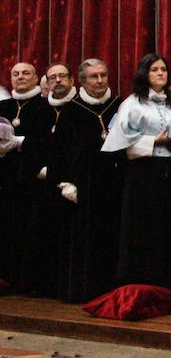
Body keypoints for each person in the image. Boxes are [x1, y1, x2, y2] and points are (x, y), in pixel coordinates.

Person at [101, 54, 171, 290]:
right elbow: (121, 141)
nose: (160, 74)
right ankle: (145, 280)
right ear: (145, 74)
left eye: (164, 69)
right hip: (145, 172)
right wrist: (155, 140)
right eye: (154, 70)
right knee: (146, 227)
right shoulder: (132, 104)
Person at [51, 59, 124, 301]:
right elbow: (58, 153)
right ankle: (85, 290)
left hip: (116, 185)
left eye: (103, 75)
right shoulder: (71, 111)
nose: (100, 81)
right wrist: (65, 183)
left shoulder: (120, 106)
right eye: (94, 77)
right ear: (82, 81)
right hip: (84, 188)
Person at [0, 63, 55, 293]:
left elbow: (46, 141)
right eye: (16, 74)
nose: (21, 77)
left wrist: (19, 142)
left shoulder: (46, 107)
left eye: (26, 73)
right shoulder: (2, 106)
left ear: (36, 78)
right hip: (4, 178)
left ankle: (30, 283)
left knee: (31, 231)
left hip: (32, 179)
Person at [46, 63, 76, 127]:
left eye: (62, 76)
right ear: (47, 83)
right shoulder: (41, 107)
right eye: (52, 77)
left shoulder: (81, 104)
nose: (58, 80)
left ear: (71, 80)